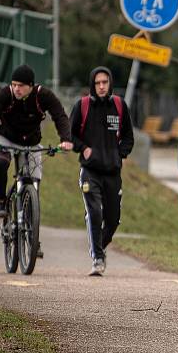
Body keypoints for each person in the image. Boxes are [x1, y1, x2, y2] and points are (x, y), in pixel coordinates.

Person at [0, 64, 73, 232]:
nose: (16, 89)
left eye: (21, 86)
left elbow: (60, 115)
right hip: (5, 137)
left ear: (31, 86)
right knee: (0, 162)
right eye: (14, 84)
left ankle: (31, 232)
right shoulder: (5, 94)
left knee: (33, 183)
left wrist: (66, 139)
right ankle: (1, 202)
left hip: (30, 142)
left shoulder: (42, 95)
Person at [69, 67, 134, 276]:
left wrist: (120, 154)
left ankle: (99, 247)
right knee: (95, 212)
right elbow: (71, 135)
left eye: (105, 82)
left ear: (110, 83)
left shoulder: (119, 105)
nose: (102, 86)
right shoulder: (83, 106)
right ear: (92, 85)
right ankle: (97, 258)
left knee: (113, 219)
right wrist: (84, 149)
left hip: (113, 172)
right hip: (90, 171)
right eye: (98, 83)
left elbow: (128, 137)